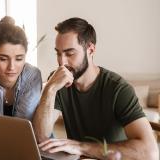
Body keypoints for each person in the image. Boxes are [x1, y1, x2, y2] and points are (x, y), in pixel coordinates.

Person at [33, 17, 158, 159]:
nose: (62, 62)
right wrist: (50, 89)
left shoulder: (118, 89)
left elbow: (150, 152)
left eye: (70, 53)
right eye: (58, 53)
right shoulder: (58, 82)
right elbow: (40, 136)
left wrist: (81, 147)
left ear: (90, 50)